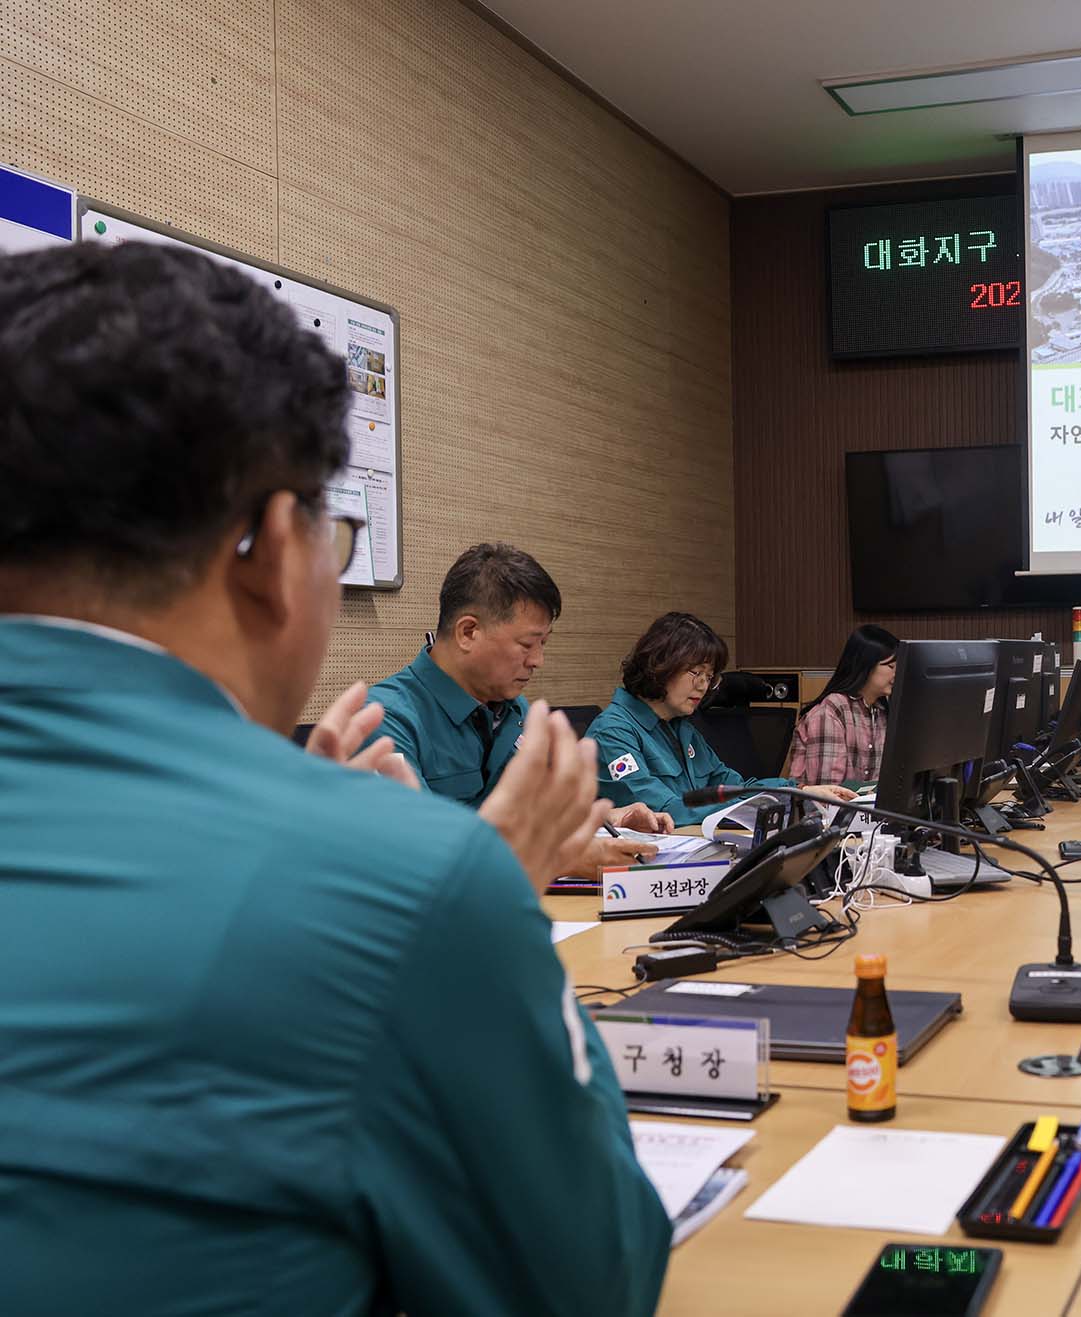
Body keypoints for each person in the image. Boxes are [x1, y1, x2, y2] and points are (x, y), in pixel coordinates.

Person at [0, 243, 670, 1311]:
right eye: (336, 530)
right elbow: (594, 1281)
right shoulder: (399, 890)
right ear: (272, 548)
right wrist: (475, 886)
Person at [369, 543, 659, 874]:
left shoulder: (516, 711)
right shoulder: (384, 719)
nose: (538, 661)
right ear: (468, 632)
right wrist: (561, 859)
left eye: (543, 644)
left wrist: (606, 818)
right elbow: (417, 844)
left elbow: (534, 812)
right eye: (526, 645)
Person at [592, 611, 855, 826]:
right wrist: (768, 797)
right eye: (697, 673)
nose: (704, 686)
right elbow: (669, 811)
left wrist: (797, 790)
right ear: (660, 665)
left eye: (710, 677)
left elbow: (734, 787)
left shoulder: (680, 726)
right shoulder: (613, 732)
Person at [785, 624, 898, 786]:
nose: (897, 673)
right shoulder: (831, 711)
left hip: (865, 808)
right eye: (891, 666)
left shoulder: (880, 709)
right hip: (828, 810)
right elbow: (828, 795)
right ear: (865, 665)